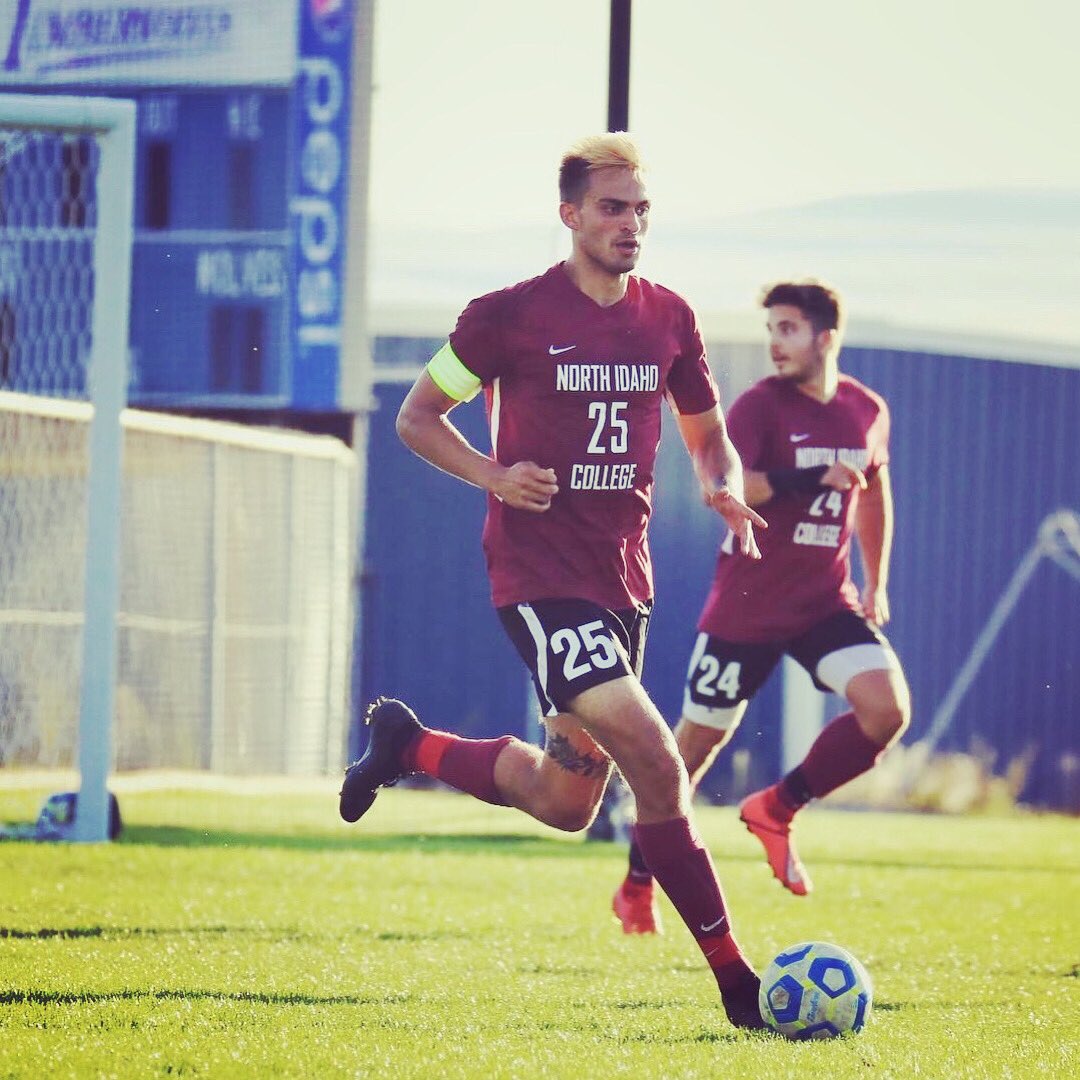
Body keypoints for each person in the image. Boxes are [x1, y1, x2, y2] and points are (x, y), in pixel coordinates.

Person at [339, 133, 770, 1029]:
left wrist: (720, 484)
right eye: (613, 207)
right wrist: (495, 475)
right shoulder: (505, 317)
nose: (631, 224)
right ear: (570, 213)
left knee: (567, 802)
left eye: (642, 209)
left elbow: (705, 428)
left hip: (624, 583)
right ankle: (739, 986)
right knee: (656, 758)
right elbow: (418, 419)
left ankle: (407, 748)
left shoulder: (669, 319)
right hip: (538, 578)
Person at [613, 280, 911, 933]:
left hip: (824, 602)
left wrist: (877, 579)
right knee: (683, 760)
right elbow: (731, 483)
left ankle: (777, 807)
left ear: (825, 337)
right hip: (746, 606)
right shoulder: (758, 406)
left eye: (788, 329)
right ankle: (636, 883)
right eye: (771, 328)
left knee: (887, 709)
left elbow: (873, 494)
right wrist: (808, 477)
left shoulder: (866, 410)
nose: (775, 343)